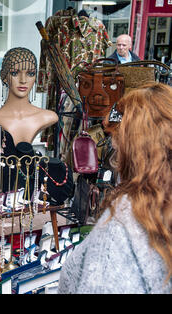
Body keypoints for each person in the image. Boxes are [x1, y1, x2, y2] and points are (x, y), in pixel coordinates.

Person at [58, 83, 172, 294]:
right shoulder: (159, 207)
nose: (115, 148)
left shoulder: (122, 225)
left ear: (135, 147)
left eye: (116, 139)